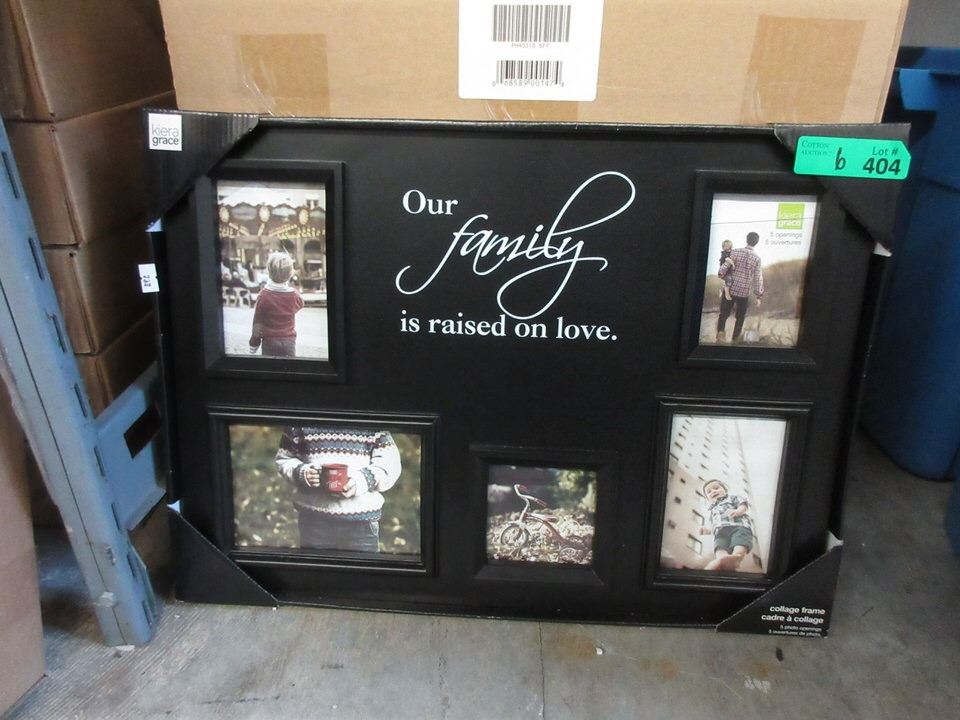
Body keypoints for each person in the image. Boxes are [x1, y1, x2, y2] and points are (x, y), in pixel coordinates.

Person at [275, 426, 402, 552]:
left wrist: (363, 480)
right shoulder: (299, 425)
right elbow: (285, 458)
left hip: (362, 522)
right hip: (314, 520)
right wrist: (301, 472)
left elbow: (390, 464)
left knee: (362, 565)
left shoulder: (372, 424)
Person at [248, 251, 304, 357]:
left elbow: (257, 323)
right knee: (290, 367)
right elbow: (301, 303)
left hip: (269, 341)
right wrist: (287, 310)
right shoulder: (294, 295)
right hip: (289, 341)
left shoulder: (263, 295)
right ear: (290, 274)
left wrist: (254, 343)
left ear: (269, 272)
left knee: (270, 367)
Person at [716, 231, 764, 342]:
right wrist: (758, 295)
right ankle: (735, 340)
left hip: (730, 288)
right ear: (756, 242)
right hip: (744, 292)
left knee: (724, 314)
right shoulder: (757, 258)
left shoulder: (735, 252)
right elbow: (758, 278)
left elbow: (725, 266)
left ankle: (720, 336)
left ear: (746, 239)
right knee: (740, 317)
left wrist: (721, 273)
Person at [699, 479, 754, 571]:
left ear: (725, 490)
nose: (713, 491)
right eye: (709, 492)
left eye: (716, 488)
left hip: (738, 525)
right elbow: (713, 525)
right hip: (720, 532)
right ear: (708, 499)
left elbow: (743, 504)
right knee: (719, 545)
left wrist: (738, 511)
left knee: (740, 541)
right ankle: (722, 559)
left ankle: (737, 557)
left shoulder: (732, 498)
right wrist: (707, 531)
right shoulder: (712, 510)